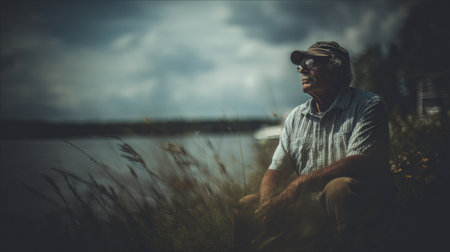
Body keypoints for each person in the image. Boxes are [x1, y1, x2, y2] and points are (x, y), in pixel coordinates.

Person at [234, 41, 395, 251]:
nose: (301, 69)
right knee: (247, 205)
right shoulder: (295, 117)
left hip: (363, 204)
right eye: (300, 64)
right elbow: (275, 169)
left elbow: (357, 162)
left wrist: (299, 184)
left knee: (339, 188)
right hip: (307, 208)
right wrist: (267, 203)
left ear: (336, 70)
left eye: (310, 62)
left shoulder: (368, 105)